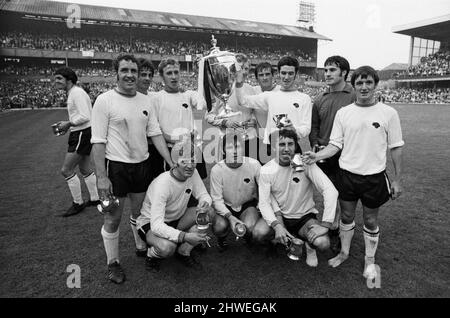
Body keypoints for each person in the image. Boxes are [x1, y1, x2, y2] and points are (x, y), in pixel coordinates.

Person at [303, 66, 404, 279]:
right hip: (347, 175)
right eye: (360, 83)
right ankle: (344, 253)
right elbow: (334, 145)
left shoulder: (388, 113)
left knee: (370, 220)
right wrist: (316, 156)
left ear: (375, 85)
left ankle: (369, 260)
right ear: (354, 85)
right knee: (346, 216)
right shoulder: (344, 113)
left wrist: (397, 179)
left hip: (374, 177)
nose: (364, 87)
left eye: (369, 83)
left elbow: (396, 146)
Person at [91, 54, 173, 284]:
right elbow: (97, 141)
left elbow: (155, 133)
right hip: (115, 167)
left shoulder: (145, 101)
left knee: (139, 214)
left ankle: (140, 244)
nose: (129, 75)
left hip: (142, 166)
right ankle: (113, 263)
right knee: (112, 219)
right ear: (116, 73)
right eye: (125, 70)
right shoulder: (104, 100)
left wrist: (169, 160)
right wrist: (101, 177)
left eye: (133, 71)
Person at [254, 129, 338, 267]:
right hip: (279, 215)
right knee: (258, 233)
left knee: (323, 243)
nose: (286, 149)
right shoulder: (266, 170)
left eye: (290, 144)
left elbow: (330, 190)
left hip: (303, 217)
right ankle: (277, 241)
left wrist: (326, 224)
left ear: (296, 145)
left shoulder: (306, 164)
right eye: (281, 144)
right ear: (274, 146)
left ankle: (309, 246)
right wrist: (277, 225)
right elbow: (263, 203)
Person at [136, 140, 216, 272]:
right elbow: (156, 226)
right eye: (184, 162)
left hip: (175, 219)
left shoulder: (193, 173)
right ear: (175, 163)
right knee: (168, 248)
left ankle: (184, 251)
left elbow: (204, 194)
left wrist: (204, 203)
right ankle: (151, 255)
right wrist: (185, 236)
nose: (190, 166)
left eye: (192, 161)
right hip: (150, 223)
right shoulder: (163, 184)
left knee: (209, 213)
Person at [308, 56, 356, 253]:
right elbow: (314, 127)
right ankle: (332, 226)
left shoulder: (354, 95)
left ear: (344, 73)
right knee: (329, 193)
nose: (327, 74)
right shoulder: (320, 98)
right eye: (326, 70)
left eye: (332, 70)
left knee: (345, 198)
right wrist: (315, 145)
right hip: (324, 155)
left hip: (348, 156)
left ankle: (340, 230)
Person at [235, 56, 312, 152]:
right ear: (278, 74)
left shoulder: (305, 98)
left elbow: (307, 127)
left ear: (296, 74)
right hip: (269, 148)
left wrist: (294, 130)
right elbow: (243, 101)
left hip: (291, 147)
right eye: (283, 73)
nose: (286, 77)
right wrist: (238, 84)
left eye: (290, 73)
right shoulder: (270, 96)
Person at [53, 67, 100, 217]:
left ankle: (78, 203)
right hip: (82, 132)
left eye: (59, 78)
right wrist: (69, 125)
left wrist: (68, 123)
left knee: (66, 170)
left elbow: (85, 116)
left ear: (69, 79)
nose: (56, 81)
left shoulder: (76, 93)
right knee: (85, 168)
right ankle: (95, 199)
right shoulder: (75, 92)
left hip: (82, 133)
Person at [151, 58, 208, 180]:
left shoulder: (188, 95)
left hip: (193, 149)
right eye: (169, 73)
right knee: (174, 187)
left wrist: (198, 117)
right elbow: (155, 129)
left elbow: (201, 102)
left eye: (176, 72)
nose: (173, 76)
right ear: (162, 76)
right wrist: (175, 139)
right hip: (172, 150)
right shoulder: (156, 98)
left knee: (197, 186)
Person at [209, 132, 262, 251]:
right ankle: (222, 239)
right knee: (219, 227)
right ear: (223, 151)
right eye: (229, 147)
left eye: (237, 146)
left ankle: (248, 238)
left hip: (247, 205)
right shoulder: (217, 170)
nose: (234, 151)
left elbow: (264, 189)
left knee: (249, 226)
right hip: (226, 206)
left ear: (242, 148)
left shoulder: (254, 164)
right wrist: (230, 217)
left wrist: (260, 205)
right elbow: (216, 200)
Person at [204, 54, 259, 162]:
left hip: (250, 139)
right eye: (240, 68)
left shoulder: (251, 89)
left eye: (246, 68)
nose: (243, 71)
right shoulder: (222, 89)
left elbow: (254, 112)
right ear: (233, 69)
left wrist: (253, 120)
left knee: (251, 172)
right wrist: (224, 122)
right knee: (230, 174)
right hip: (229, 140)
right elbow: (209, 116)